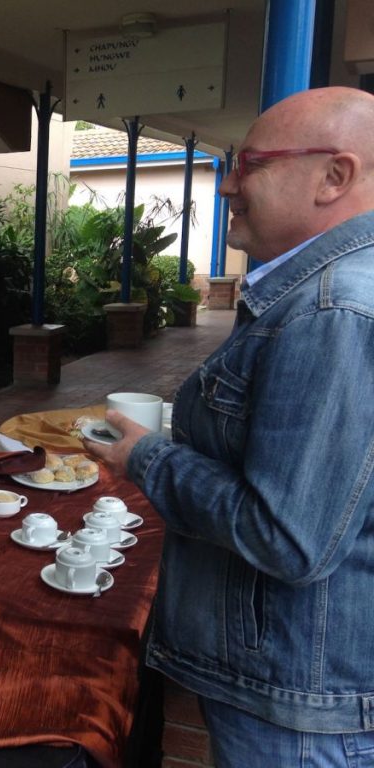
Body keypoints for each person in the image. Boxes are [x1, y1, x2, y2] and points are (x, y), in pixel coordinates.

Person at [85, 86, 374, 766]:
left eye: (251, 164)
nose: (227, 187)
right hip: (308, 684)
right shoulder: (326, 296)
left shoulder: (330, 313)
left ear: (335, 176)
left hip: (300, 704)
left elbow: (287, 537)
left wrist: (148, 458)